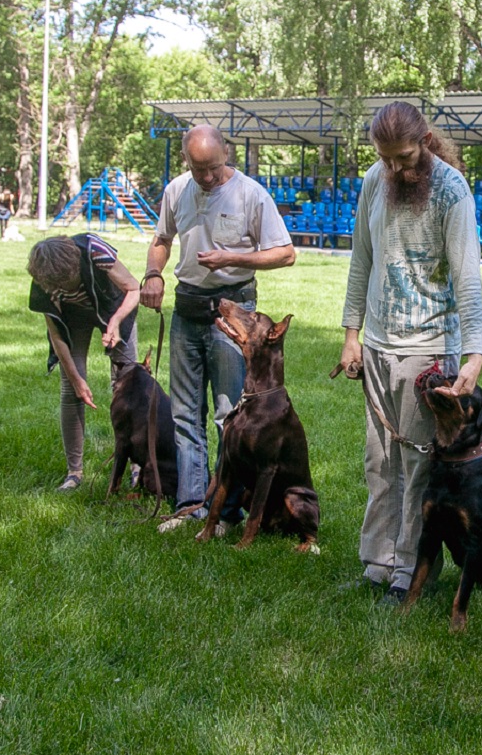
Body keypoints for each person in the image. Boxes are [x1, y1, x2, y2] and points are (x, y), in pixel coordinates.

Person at [338, 101, 482, 605]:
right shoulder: (373, 182)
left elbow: (468, 277)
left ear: (424, 140)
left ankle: (409, 572)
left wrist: (473, 354)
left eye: (403, 157)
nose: (396, 169)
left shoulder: (451, 190)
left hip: (429, 352)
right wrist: (351, 333)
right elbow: (361, 257)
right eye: (387, 159)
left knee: (418, 465)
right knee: (380, 461)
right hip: (377, 346)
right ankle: (377, 563)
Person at [139, 125, 295, 529]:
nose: (206, 177)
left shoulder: (251, 194)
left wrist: (234, 258)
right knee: (184, 414)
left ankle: (226, 511)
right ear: (186, 161)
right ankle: (191, 505)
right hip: (186, 309)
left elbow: (285, 253)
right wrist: (153, 274)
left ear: (227, 152)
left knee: (230, 416)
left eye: (212, 167)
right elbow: (161, 238)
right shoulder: (176, 190)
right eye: (197, 169)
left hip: (233, 312)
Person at [27, 233, 142, 491]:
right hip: (73, 319)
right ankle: (74, 473)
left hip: (115, 308)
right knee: (71, 390)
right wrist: (77, 380)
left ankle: (138, 465)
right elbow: (57, 336)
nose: (63, 290)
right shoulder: (43, 277)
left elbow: (134, 289)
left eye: (68, 284)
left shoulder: (94, 250)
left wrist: (115, 323)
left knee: (127, 387)